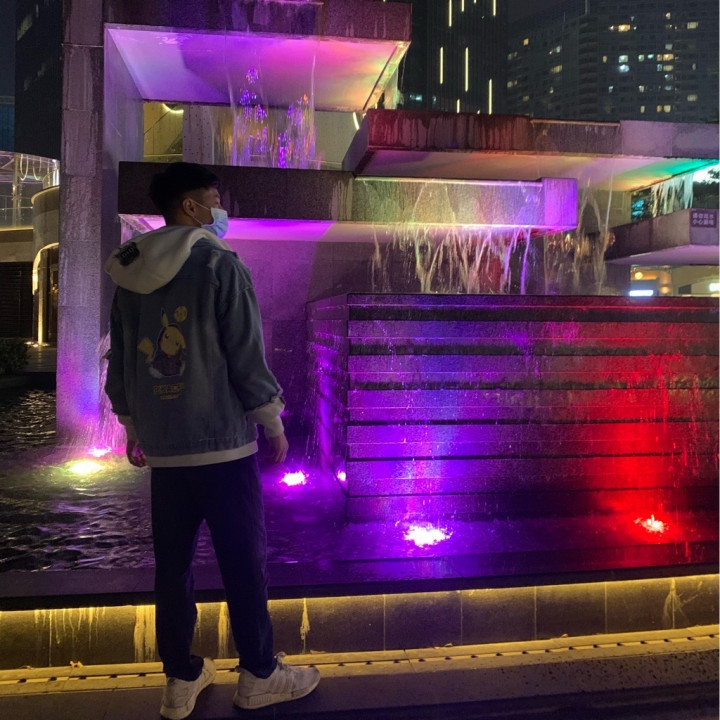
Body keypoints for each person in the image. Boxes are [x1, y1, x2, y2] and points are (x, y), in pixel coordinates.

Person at [104, 162, 320, 720]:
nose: (219, 210)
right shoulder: (221, 265)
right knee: (244, 562)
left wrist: (132, 425)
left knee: (172, 568)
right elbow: (245, 352)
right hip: (223, 447)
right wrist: (271, 419)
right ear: (191, 206)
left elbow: (121, 360)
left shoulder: (130, 272)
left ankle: (180, 679)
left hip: (166, 451)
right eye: (213, 200)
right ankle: (260, 674)